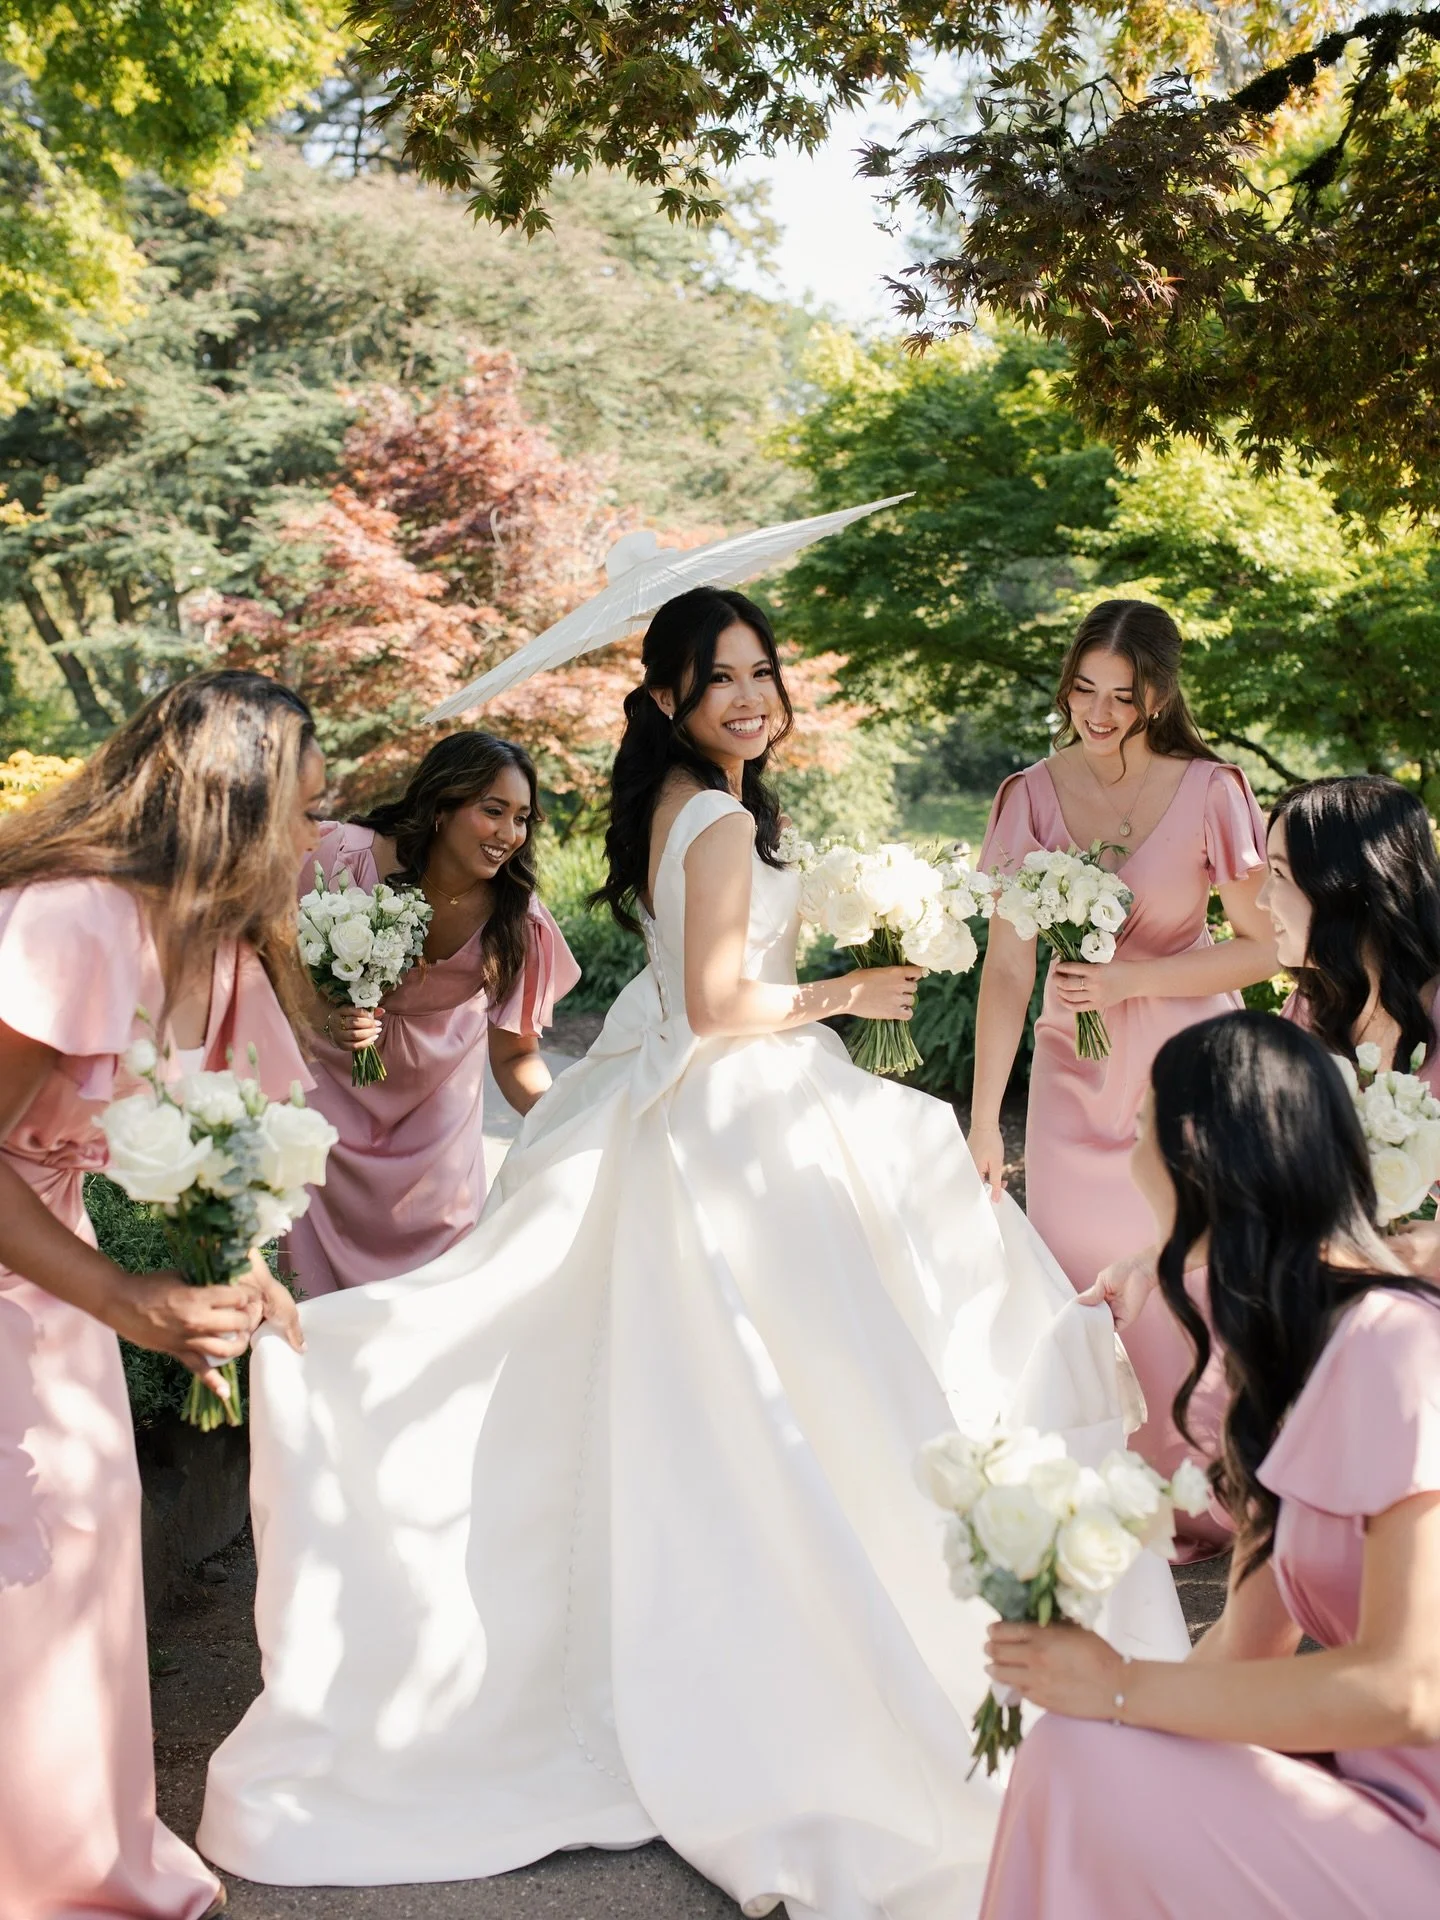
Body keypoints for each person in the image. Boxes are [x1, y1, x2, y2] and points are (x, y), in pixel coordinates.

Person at [198, 587, 1186, 1916]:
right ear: (667, 699)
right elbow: (722, 1005)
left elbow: (684, 992)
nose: (750, 694)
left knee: (716, 1397)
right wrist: (850, 992)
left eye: (761, 671)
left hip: (680, 1107)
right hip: (737, 1104)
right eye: (718, 677)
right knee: (823, 1382)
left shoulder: (680, 809)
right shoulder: (717, 816)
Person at [978, 1011, 1440, 1919]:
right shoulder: (1283, 1361)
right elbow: (1245, 1647)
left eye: (1143, 1118)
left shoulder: (1395, 1345)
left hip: (1417, 1839)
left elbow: (1408, 1689)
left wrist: (1118, 1688)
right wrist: (1075, 1678)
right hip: (1358, 1797)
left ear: (1191, 1147)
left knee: (1083, 1754)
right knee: (1078, 1751)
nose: (1128, 1144)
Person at [0, 670, 319, 1920]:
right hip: (51, 1273)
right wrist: (129, 1301)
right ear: (230, 805)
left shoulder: (220, 952)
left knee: (78, 1565)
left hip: (53, 1276)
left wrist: (245, 1274)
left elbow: (231, 1133)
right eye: (298, 807)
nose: (311, 837)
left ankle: (74, 1860)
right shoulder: (71, 920)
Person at [971, 599, 1276, 1522]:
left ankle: (1205, 1495)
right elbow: (1007, 970)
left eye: (1123, 695)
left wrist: (1136, 978)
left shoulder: (1214, 789)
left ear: (1158, 695)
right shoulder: (1027, 795)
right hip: (1070, 1080)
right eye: (1084, 690)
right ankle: (1095, 1503)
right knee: (1079, 1287)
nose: (1098, 713)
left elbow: (1266, 949)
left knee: (1186, 1279)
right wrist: (986, 1120)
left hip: (1187, 1073)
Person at [283, 732, 579, 1295]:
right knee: (309, 1294)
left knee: (437, 1292)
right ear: (442, 807)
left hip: (435, 1133)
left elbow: (516, 1053)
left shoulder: (518, 919)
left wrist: (559, 1115)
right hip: (321, 1111)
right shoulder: (340, 855)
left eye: (521, 819)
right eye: (493, 811)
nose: (509, 835)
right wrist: (323, 1014)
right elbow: (263, 961)